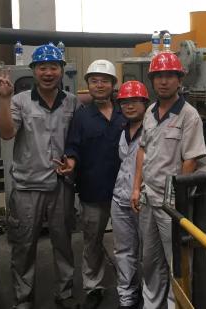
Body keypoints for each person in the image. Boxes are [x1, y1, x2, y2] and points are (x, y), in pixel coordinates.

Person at [0, 44, 79, 309]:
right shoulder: (20, 101)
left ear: (61, 71)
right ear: (33, 71)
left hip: (61, 184)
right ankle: (23, 298)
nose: (48, 73)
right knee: (23, 245)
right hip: (27, 185)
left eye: (53, 67)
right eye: (42, 67)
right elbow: (7, 133)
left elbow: (76, 139)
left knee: (63, 242)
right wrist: (4, 99)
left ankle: (65, 293)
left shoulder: (71, 102)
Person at [130, 52, 206, 309]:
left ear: (179, 80)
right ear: (152, 80)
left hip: (171, 202)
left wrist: (178, 199)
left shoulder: (189, 115)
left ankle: (177, 305)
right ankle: (152, 304)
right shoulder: (150, 112)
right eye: (158, 76)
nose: (163, 81)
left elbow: (190, 160)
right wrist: (136, 187)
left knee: (177, 261)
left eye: (169, 76)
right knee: (150, 259)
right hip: (148, 197)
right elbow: (142, 150)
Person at [64, 59, 125, 309]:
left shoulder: (126, 112)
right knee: (92, 241)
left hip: (124, 191)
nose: (99, 85)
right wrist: (70, 163)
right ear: (88, 85)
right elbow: (73, 146)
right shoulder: (81, 117)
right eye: (94, 81)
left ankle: (128, 285)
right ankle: (93, 286)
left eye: (104, 81)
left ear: (113, 85)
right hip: (92, 189)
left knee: (127, 242)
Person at [112, 81, 150, 309]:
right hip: (120, 199)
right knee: (124, 251)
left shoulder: (153, 129)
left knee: (149, 253)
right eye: (125, 102)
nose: (129, 106)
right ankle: (127, 296)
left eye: (135, 101)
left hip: (145, 201)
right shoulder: (122, 130)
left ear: (145, 103)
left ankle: (150, 297)